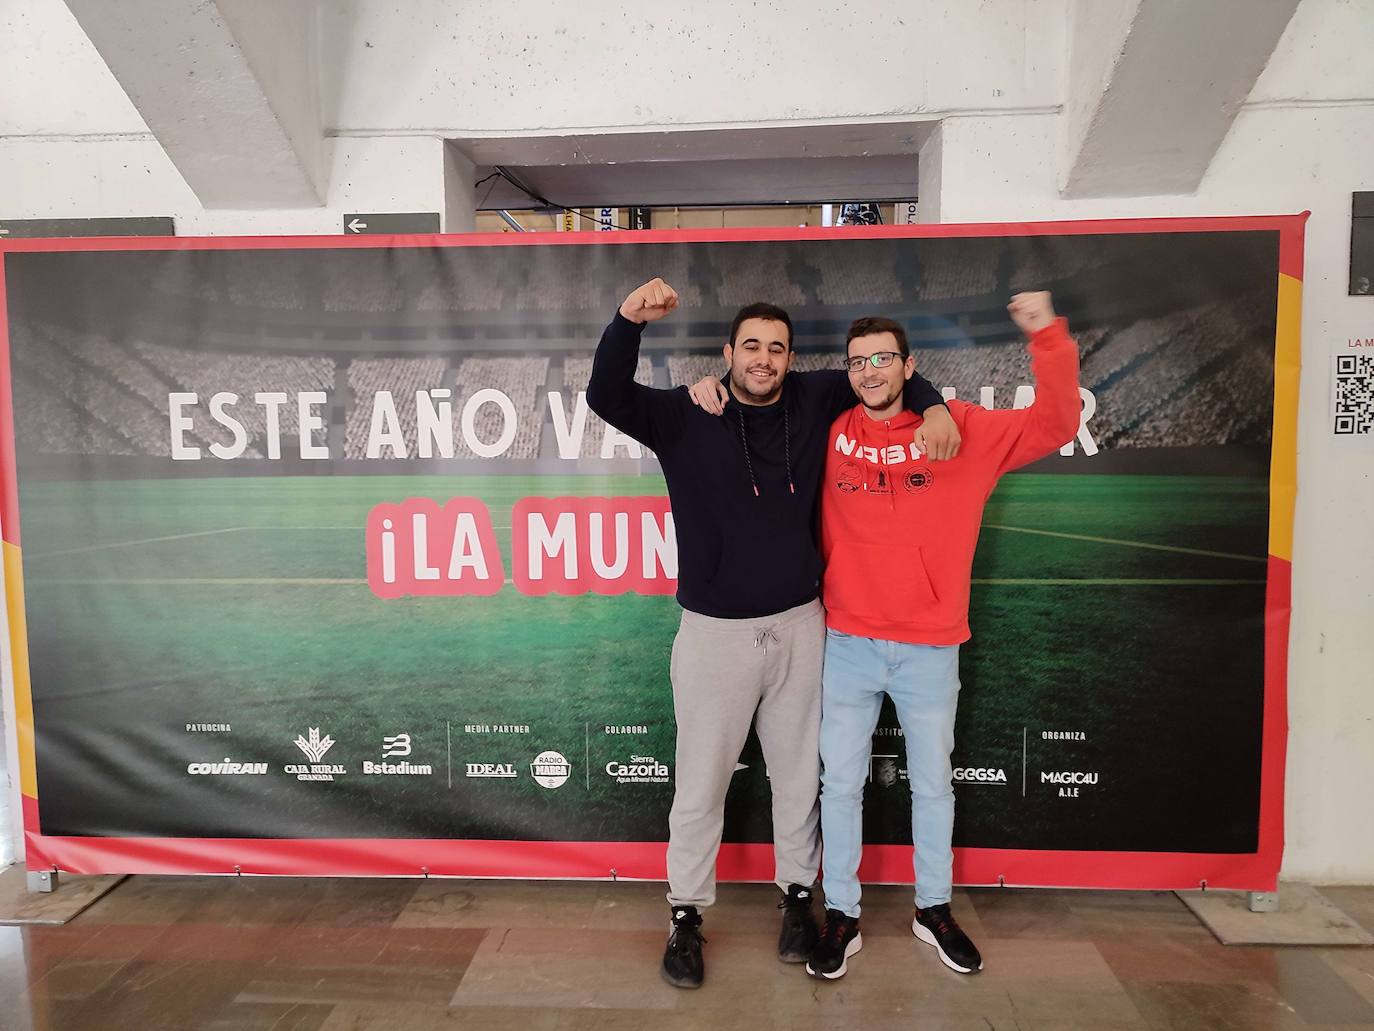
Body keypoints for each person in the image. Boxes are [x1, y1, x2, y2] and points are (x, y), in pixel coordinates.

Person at [586, 278, 961, 989]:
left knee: (798, 780)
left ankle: (797, 898)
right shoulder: (683, 413)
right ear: (729, 352)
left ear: (791, 359)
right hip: (714, 634)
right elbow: (605, 393)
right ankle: (687, 916)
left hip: (801, 625)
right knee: (700, 784)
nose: (764, 359)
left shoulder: (818, 398)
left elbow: (885, 375)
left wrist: (934, 402)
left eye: (777, 349)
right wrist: (627, 320)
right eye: (751, 346)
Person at [805, 292, 1080, 980]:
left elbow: (1056, 421)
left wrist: (1046, 335)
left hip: (930, 645)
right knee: (839, 785)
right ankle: (841, 911)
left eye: (883, 359)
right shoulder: (829, 428)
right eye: (858, 361)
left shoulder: (961, 427)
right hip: (846, 640)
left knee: (932, 786)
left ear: (909, 365)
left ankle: (934, 908)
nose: (870, 371)